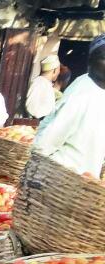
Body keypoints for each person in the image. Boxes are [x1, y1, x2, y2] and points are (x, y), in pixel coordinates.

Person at [33, 35, 105, 178]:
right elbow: (48, 140)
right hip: (61, 177)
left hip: (85, 179)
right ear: (91, 61)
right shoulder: (83, 92)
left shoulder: (99, 90)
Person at [26, 55, 61, 120]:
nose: (59, 73)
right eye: (59, 70)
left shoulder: (46, 83)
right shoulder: (39, 82)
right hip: (37, 123)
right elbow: (32, 109)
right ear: (55, 70)